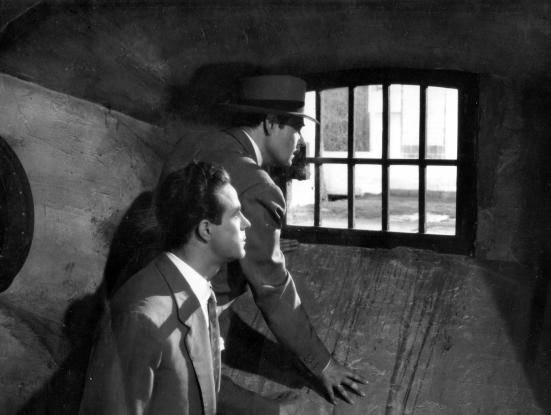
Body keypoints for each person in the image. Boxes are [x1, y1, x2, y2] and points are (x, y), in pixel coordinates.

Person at [162, 74, 368, 405]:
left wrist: (253, 240)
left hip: (157, 291)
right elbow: (273, 290)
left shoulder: (191, 145)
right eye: (297, 127)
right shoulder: (258, 185)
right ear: (271, 123)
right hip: (188, 322)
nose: (300, 140)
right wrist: (324, 365)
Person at [79, 161, 250, 415]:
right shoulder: (141, 318)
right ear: (206, 229)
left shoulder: (195, 290)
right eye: (236, 214)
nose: (247, 223)